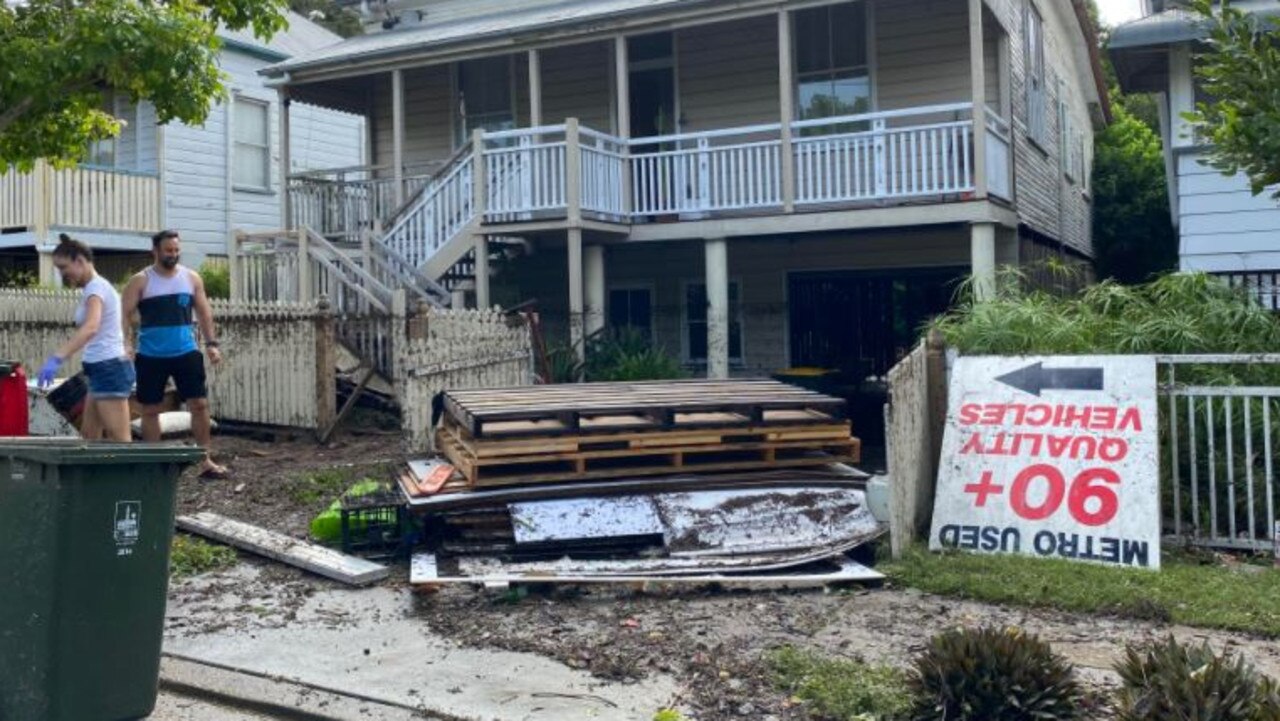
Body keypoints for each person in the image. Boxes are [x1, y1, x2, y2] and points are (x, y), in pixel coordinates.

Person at [121, 229, 228, 478]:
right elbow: (123, 314)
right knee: (150, 409)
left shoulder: (191, 278)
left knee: (199, 405)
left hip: (186, 351)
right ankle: (154, 462)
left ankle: (205, 460)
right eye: (168, 250)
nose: (173, 254)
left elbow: (203, 312)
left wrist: (212, 343)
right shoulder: (141, 281)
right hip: (150, 354)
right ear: (155, 251)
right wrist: (125, 343)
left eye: (176, 250)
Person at [37, 234, 135, 442]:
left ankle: (137, 475)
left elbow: (91, 327)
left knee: (121, 441)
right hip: (99, 369)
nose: (63, 274)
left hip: (109, 369)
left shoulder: (96, 288)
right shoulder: (95, 288)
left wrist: (57, 357)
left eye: (64, 267)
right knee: (89, 437)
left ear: (80, 261)